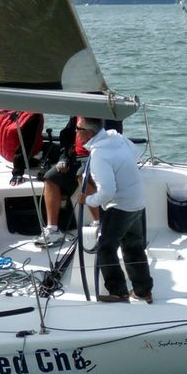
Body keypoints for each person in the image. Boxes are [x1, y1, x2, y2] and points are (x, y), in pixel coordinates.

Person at [77, 117, 153, 303]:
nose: (76, 132)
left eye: (78, 128)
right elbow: (136, 155)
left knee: (106, 248)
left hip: (121, 206)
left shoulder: (99, 155)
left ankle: (118, 292)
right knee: (134, 247)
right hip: (137, 200)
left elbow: (107, 192)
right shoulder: (117, 138)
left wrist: (88, 200)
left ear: (89, 133)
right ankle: (143, 291)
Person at [36, 115, 121, 247]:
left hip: (97, 155)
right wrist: (64, 158)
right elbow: (67, 135)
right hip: (75, 158)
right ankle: (53, 230)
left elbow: (113, 139)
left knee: (83, 175)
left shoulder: (107, 114)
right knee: (50, 178)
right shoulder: (77, 112)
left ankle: (100, 224)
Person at [0, 109, 44, 185]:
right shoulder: (32, 115)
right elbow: (26, 145)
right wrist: (17, 173)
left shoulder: (1, 108)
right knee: (56, 150)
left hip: (0, 155)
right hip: (17, 162)